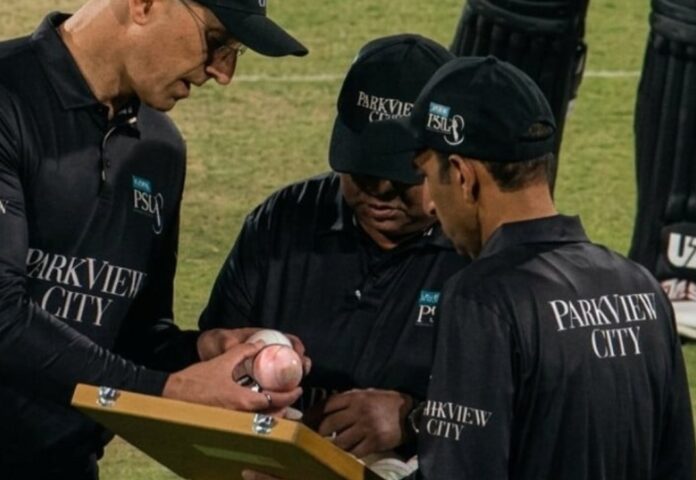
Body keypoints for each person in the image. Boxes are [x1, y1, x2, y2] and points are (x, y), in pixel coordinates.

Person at [0, 0, 308, 477]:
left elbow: (133, 332)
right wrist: (169, 392)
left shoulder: (160, 149)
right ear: (144, 4)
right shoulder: (8, 98)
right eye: (216, 41)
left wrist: (201, 353)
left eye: (234, 52)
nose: (222, 73)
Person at [373, 56, 694, 479]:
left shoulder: (483, 299)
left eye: (428, 176)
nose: (430, 204)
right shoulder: (641, 287)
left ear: (464, 176)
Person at [199, 34, 468, 462]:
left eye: (403, 176)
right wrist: (228, 370)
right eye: (364, 169)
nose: (381, 190)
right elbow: (206, 365)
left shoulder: (481, 251)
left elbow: (531, 417)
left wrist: (415, 420)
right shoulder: (282, 222)